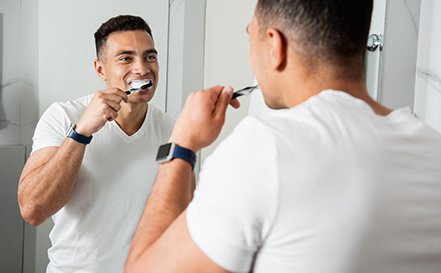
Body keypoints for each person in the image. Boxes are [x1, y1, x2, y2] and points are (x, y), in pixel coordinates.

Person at [124, 0, 441, 272]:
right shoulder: (431, 150)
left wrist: (181, 146)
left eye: (251, 36)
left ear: (275, 46)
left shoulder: (264, 150)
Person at [17, 15, 174, 272]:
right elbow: (33, 210)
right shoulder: (63, 116)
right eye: (126, 58)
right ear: (100, 69)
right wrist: (80, 133)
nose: (142, 68)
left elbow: (177, 216)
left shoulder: (171, 129)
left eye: (150, 57)